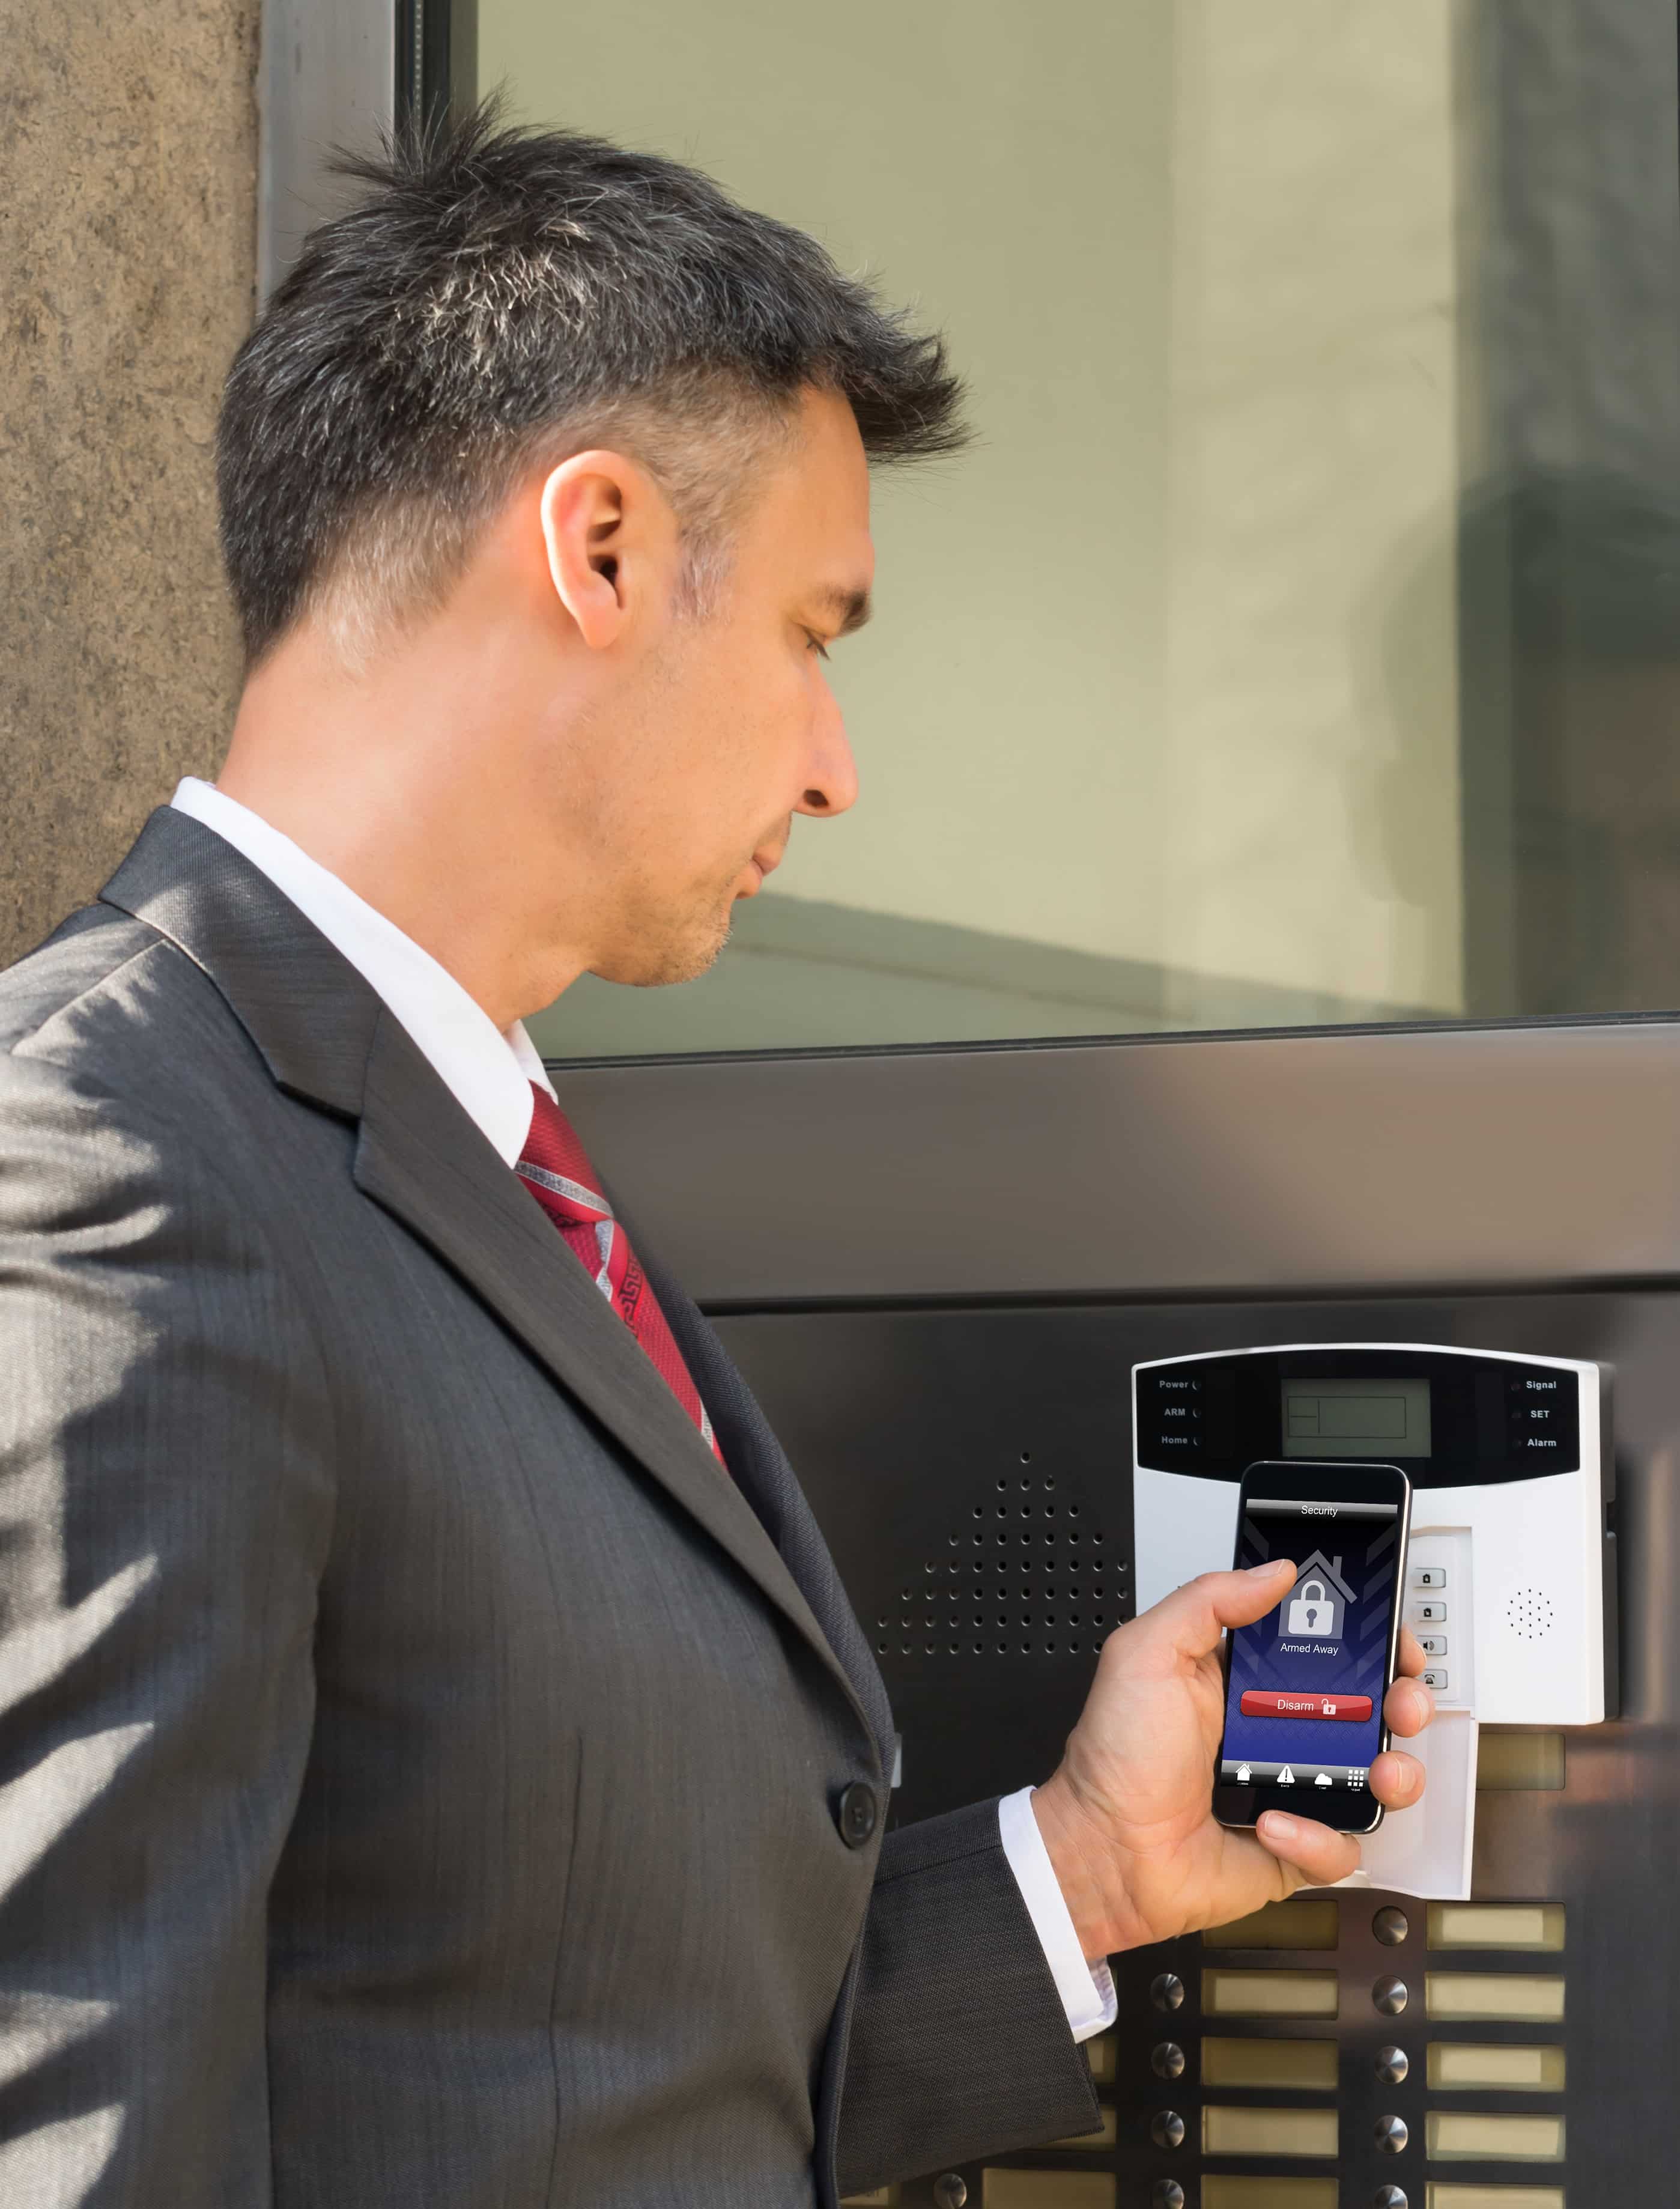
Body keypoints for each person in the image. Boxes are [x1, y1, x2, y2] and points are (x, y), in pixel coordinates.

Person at [0, 109, 1432, 2207]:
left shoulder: (485, 1158)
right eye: (813, 634)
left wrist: (1090, 1872)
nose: (838, 768)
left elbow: (579, 2067)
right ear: (593, 550)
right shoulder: (106, 1165)